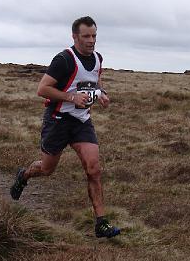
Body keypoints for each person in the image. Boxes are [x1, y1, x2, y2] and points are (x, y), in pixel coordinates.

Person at [10, 16, 121, 239]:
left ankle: (101, 223)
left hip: (81, 121)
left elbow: (95, 82)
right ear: (75, 37)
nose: (91, 41)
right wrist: (71, 98)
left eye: (94, 36)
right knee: (47, 169)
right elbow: (42, 89)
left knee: (94, 168)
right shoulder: (64, 59)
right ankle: (24, 175)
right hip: (57, 120)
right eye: (86, 36)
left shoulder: (98, 59)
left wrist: (102, 94)